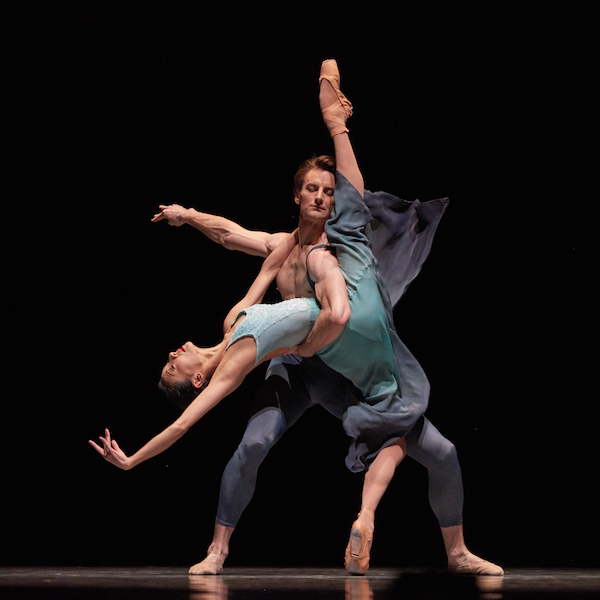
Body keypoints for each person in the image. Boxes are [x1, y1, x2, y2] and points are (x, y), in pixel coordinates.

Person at [94, 60, 502, 577]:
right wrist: (189, 215)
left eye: (326, 192)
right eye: (311, 189)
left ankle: (457, 552)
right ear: (296, 196)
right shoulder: (280, 250)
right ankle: (218, 550)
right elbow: (230, 234)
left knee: (442, 452)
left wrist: (337, 125)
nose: (319, 196)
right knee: (256, 441)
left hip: (337, 363)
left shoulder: (337, 249)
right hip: (295, 368)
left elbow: (349, 222)